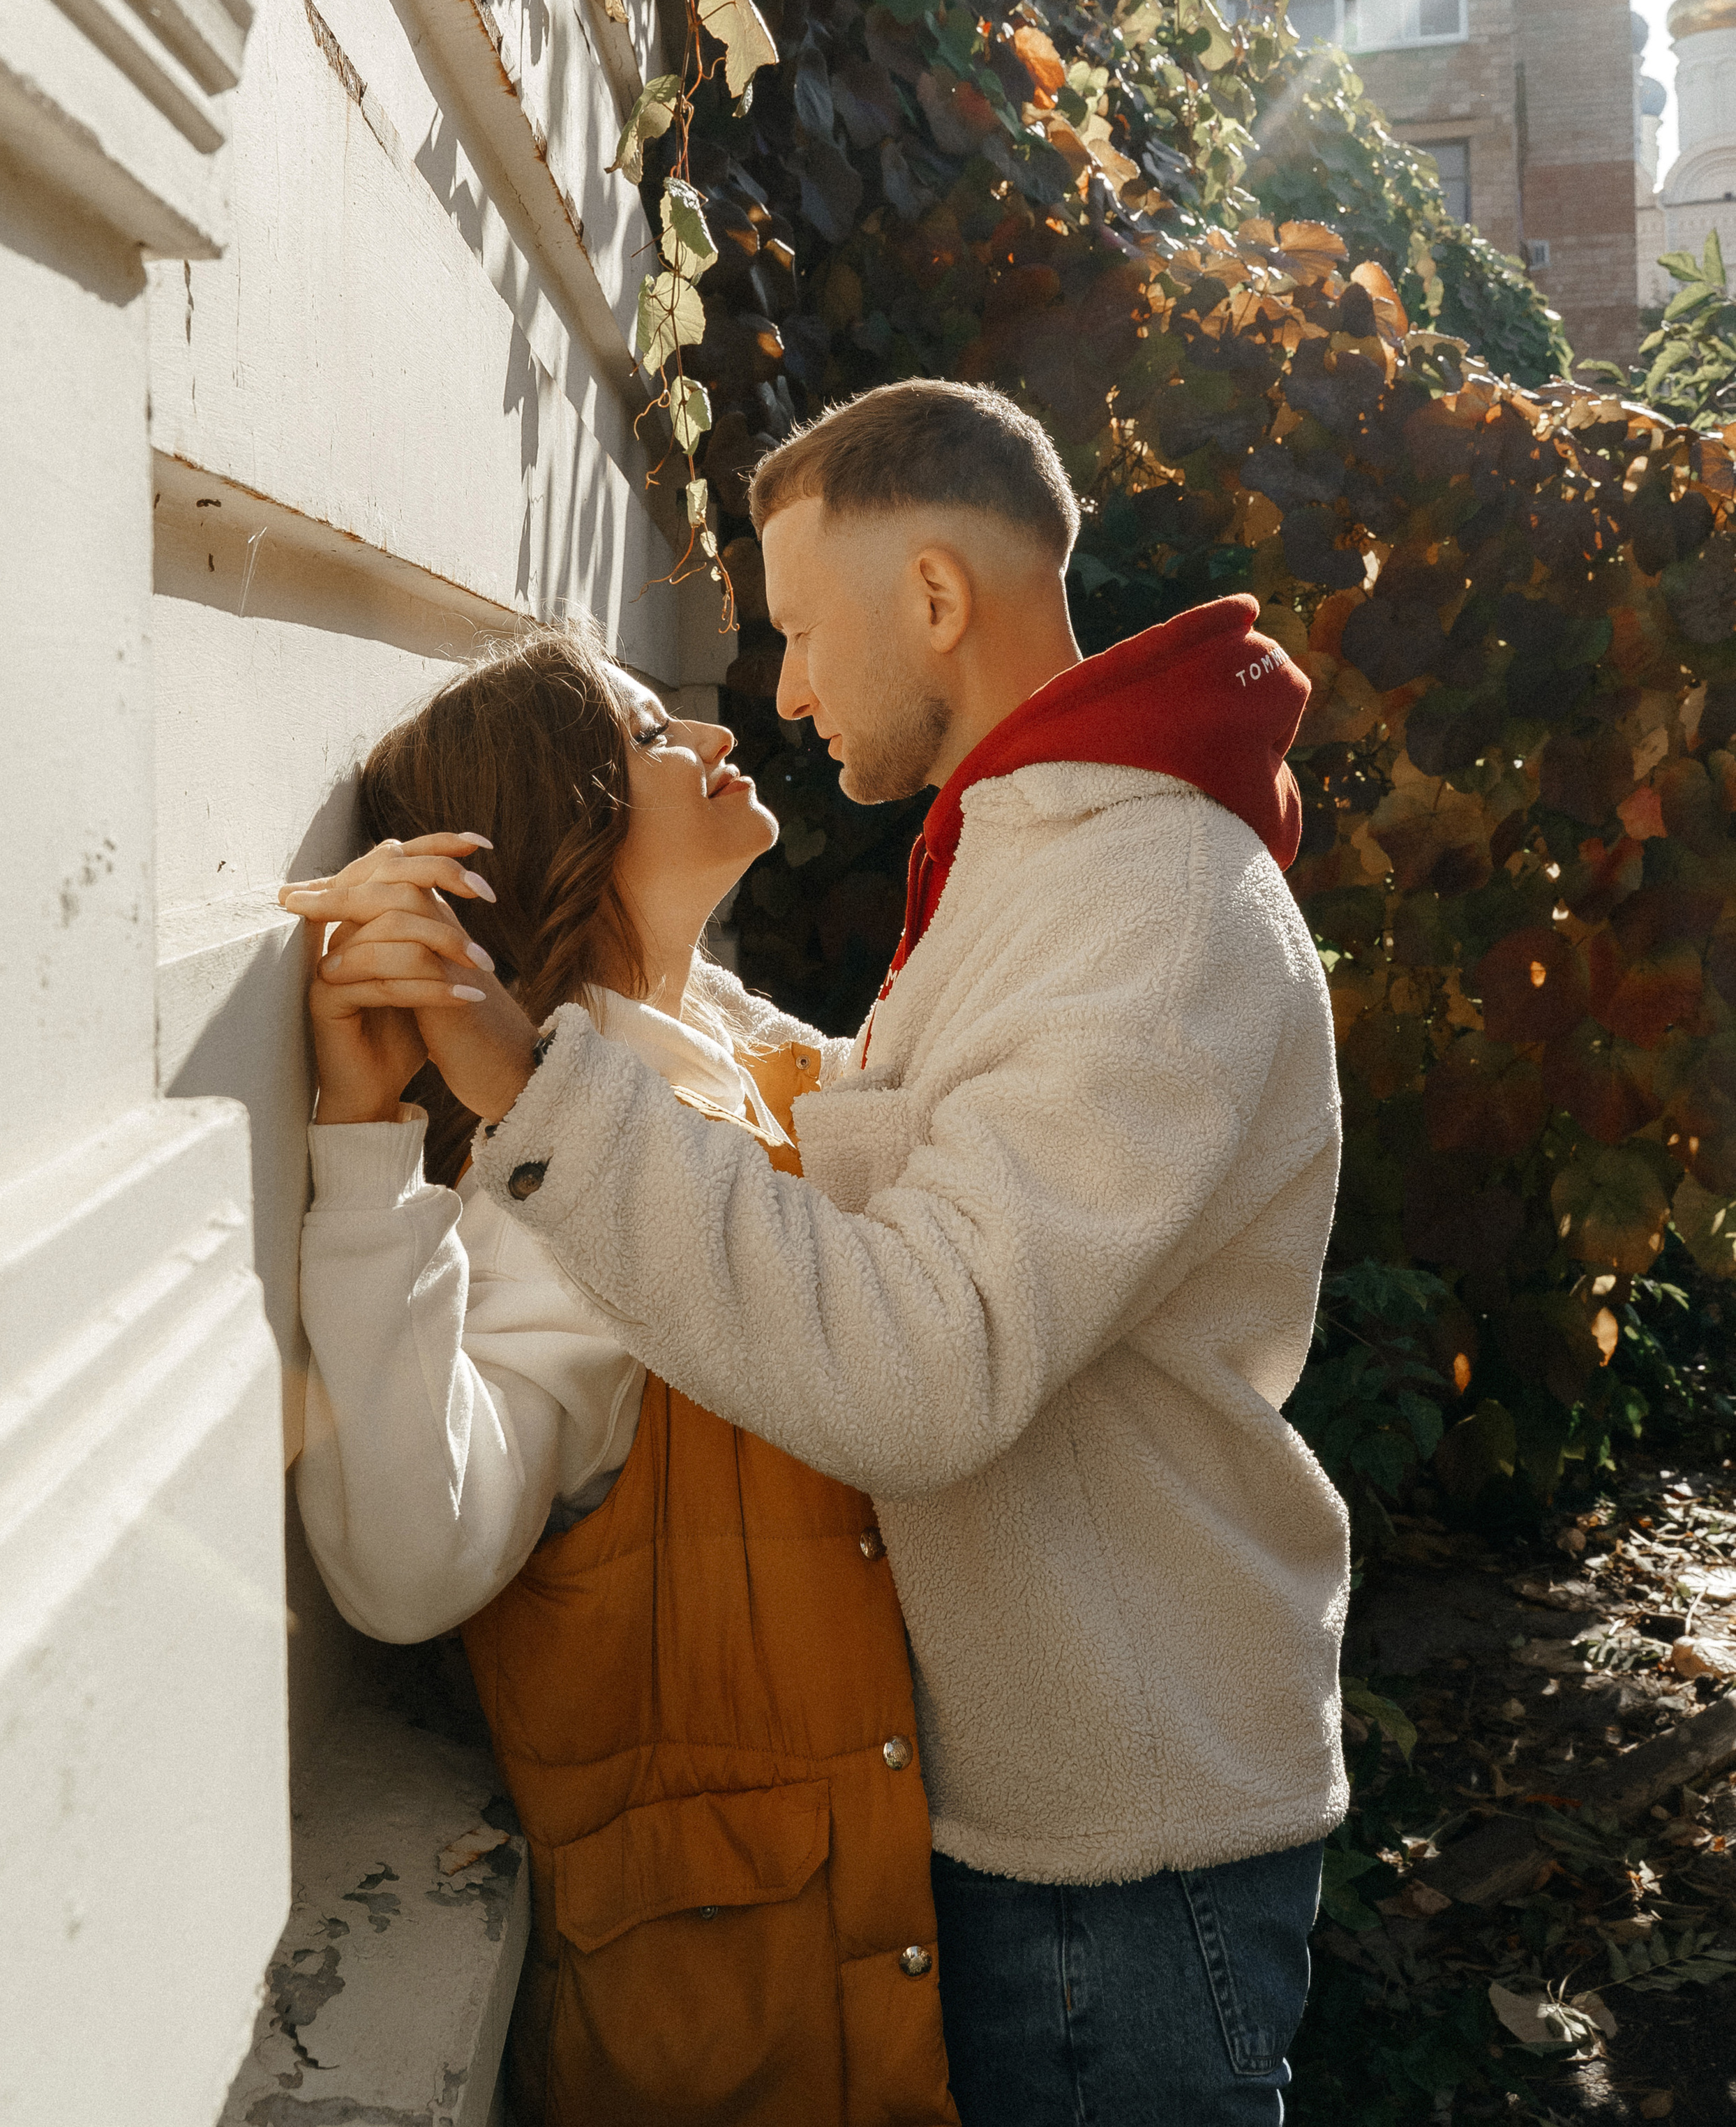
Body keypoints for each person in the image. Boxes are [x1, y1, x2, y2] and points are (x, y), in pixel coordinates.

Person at [306, 378, 1352, 2125]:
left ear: (931, 596)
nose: (775, 693)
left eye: (794, 627)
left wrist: (525, 1076)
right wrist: (463, 1085)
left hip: (1113, 1844)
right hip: (1037, 1821)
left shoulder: (1138, 899)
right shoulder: (1030, 864)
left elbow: (925, 1352)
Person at [279, 622, 957, 2127]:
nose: (715, 736)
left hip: (871, 1979)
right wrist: (363, 1149)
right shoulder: (563, 1196)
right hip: (741, 2033)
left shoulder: (750, 1071)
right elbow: (410, 1566)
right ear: (559, 831)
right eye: (650, 736)